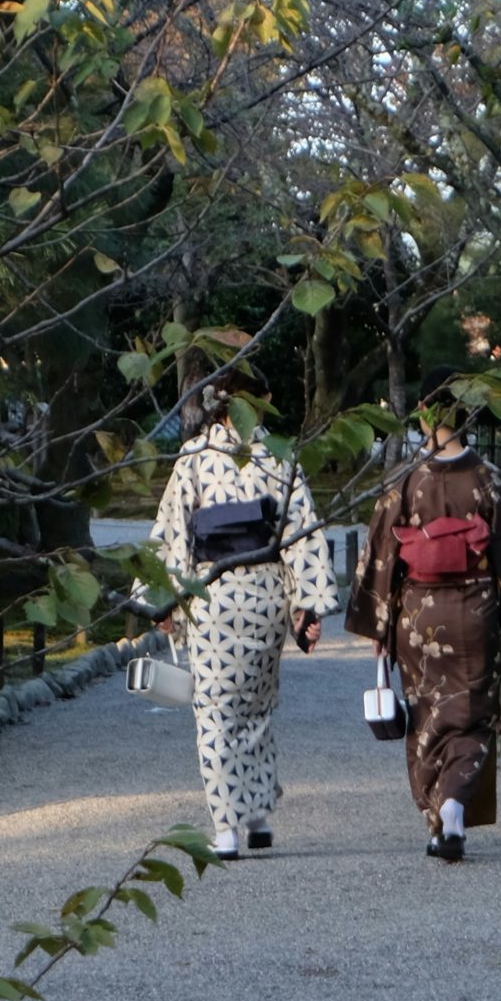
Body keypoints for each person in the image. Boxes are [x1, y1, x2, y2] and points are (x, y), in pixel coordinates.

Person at [146, 343, 337, 860]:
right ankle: (256, 816)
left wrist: (160, 601)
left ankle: (226, 828)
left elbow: (170, 535)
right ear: (261, 403)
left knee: (215, 713)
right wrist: (306, 607)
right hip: (265, 599)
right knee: (255, 709)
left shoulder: (194, 458)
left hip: (210, 599)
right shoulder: (280, 458)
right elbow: (303, 534)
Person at [345, 366, 501, 863]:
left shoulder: (404, 479)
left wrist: (379, 627)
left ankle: (437, 815)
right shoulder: (488, 480)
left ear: (425, 413)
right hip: (475, 613)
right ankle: (451, 809)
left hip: (419, 617)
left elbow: (382, 557)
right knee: (471, 718)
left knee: (427, 716)